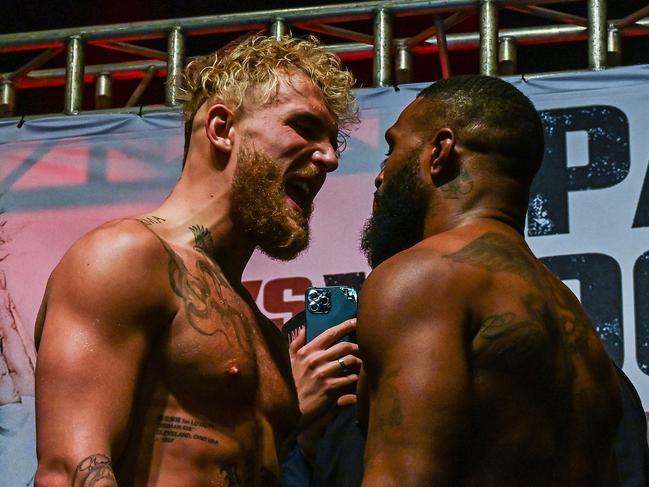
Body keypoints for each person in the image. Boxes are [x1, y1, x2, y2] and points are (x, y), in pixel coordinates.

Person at [33, 35, 357, 486]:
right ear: (222, 128)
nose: (330, 158)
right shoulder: (126, 256)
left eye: (333, 141)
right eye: (303, 127)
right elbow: (69, 471)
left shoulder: (263, 332)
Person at [355, 75, 624, 486]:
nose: (381, 176)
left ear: (439, 152)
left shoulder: (426, 277)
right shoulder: (577, 324)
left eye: (390, 150)